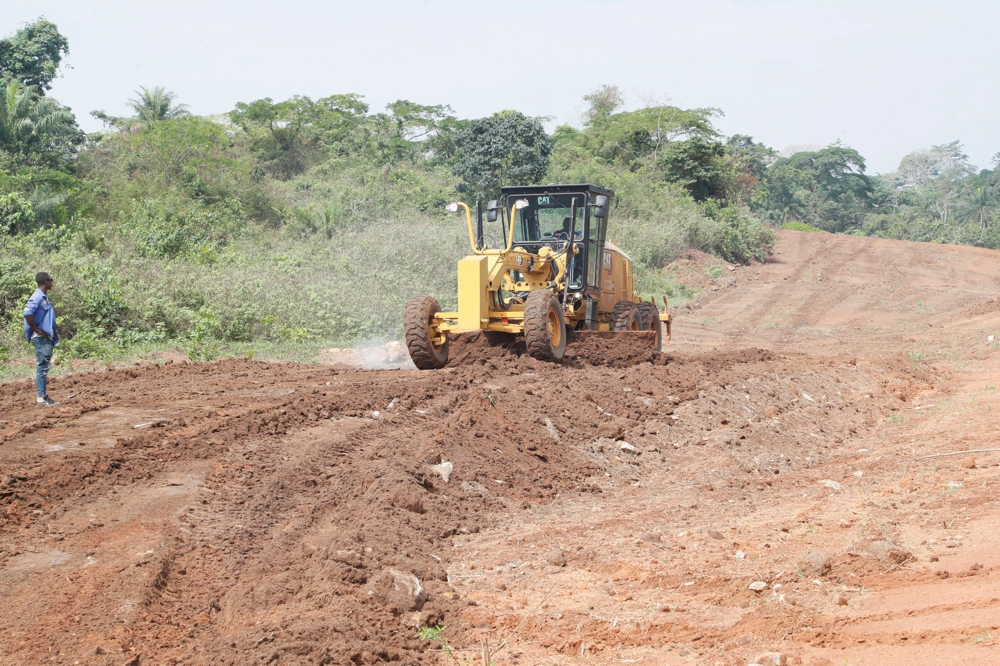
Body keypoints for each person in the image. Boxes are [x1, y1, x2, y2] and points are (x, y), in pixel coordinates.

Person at [23, 272, 59, 407]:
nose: (52, 282)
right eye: (51, 280)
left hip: (45, 337)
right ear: (46, 282)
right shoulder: (37, 296)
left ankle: (43, 396)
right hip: (40, 338)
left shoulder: (43, 297)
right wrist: (36, 330)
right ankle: (41, 398)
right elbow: (27, 313)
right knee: (42, 367)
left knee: (44, 367)